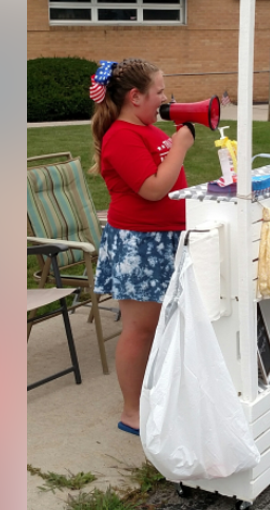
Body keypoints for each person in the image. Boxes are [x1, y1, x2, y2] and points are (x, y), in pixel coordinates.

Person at [88, 58, 195, 436]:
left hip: (165, 238)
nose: (165, 98)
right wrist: (181, 144)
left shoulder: (148, 129)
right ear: (136, 96)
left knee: (161, 326)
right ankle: (132, 411)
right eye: (160, 91)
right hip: (139, 244)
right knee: (140, 329)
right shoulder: (121, 136)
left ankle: (156, 395)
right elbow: (151, 189)